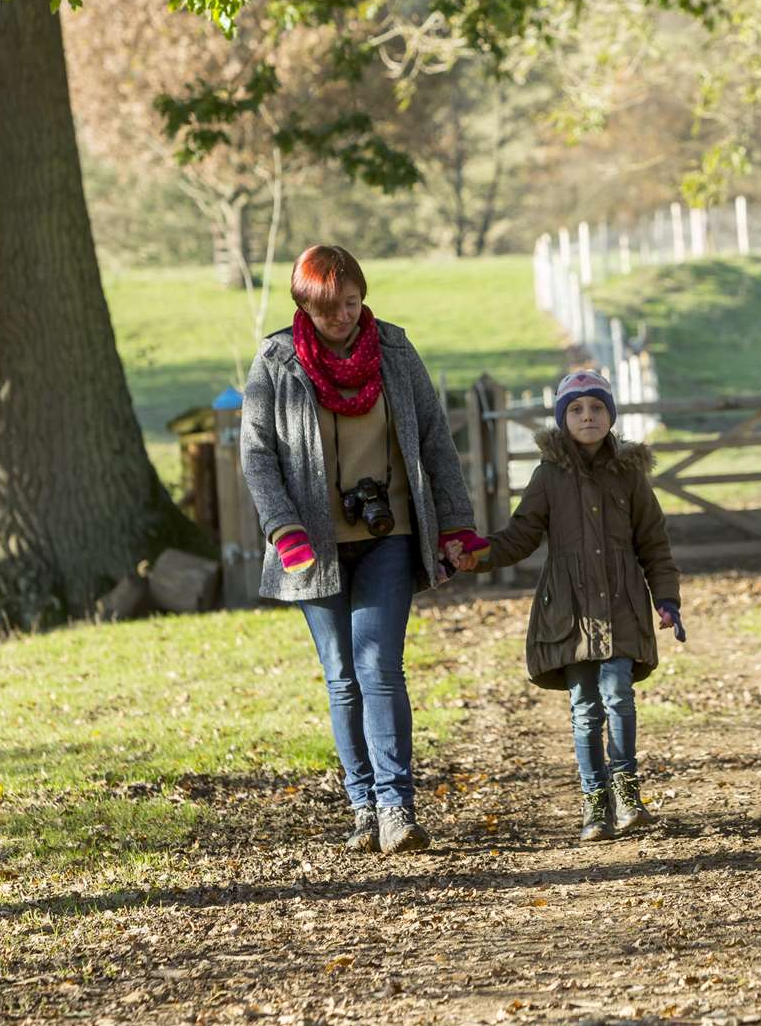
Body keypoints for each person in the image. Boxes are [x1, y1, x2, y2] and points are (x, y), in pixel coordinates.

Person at [241, 244, 487, 854]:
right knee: (341, 677)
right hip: (311, 547)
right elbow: (257, 455)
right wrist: (282, 526)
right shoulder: (276, 361)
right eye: (328, 309)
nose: (343, 317)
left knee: (379, 667)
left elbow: (434, 439)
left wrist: (455, 525)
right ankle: (361, 807)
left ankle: (396, 806)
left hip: (388, 535)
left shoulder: (396, 352)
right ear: (304, 303)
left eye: (351, 303)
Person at [461, 370, 682, 842]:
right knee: (585, 706)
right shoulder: (549, 477)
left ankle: (627, 791)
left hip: (622, 605)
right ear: (563, 419)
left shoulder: (630, 475)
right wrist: (478, 555)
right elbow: (521, 535)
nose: (588, 417)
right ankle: (594, 801)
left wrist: (666, 599)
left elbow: (654, 543)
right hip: (569, 612)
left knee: (620, 697)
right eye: (577, 409)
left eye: (597, 408)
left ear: (610, 416)